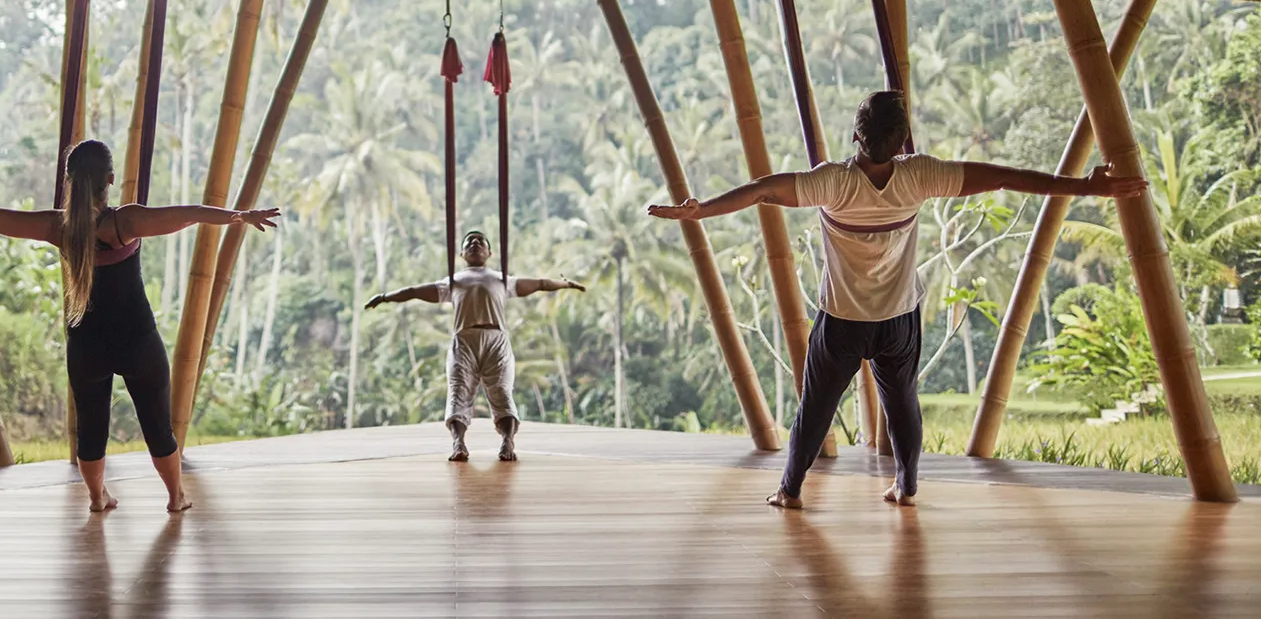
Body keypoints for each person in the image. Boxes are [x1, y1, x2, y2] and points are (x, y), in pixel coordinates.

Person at [647, 90, 1146, 510]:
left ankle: (790, 490)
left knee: (815, 408)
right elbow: (1004, 176)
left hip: (842, 321)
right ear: (901, 140)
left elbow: (761, 191)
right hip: (899, 320)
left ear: (856, 137)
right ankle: (906, 487)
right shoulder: (919, 176)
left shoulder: (833, 181)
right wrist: (1084, 187)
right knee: (902, 404)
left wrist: (701, 211)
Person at [0, 138, 279, 514]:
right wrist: (240, 215)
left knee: (91, 430)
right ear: (109, 179)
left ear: (70, 181)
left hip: (86, 344)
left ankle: (97, 499)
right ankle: (175, 497)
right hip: (138, 340)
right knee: (157, 425)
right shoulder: (124, 223)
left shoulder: (55, 227)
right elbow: (187, 215)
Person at [365, 230, 585, 462]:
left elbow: (540, 284)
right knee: (458, 392)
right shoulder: (453, 282)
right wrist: (385, 296)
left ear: (489, 252)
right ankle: (458, 443)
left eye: (481, 241)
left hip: (495, 338)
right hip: (464, 339)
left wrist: (566, 284)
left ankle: (507, 441)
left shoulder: (503, 280)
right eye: (469, 241)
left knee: (501, 391)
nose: (475, 243)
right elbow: (413, 292)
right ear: (462, 253)